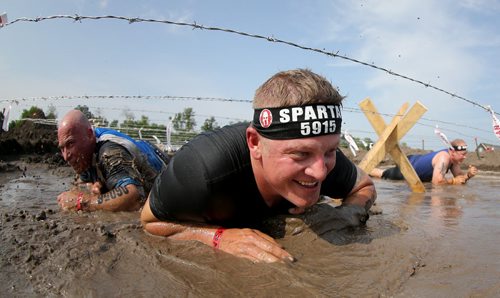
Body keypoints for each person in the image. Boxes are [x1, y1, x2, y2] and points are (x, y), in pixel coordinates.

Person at [140, 69, 377, 263]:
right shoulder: (203, 170)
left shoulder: (322, 154)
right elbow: (150, 222)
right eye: (299, 154)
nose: (321, 171)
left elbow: (364, 186)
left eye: (331, 151)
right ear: (255, 143)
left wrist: (346, 215)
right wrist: (217, 237)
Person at [57, 110, 169, 212]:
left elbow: (134, 197)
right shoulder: (82, 154)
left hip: (165, 176)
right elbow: (82, 182)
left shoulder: (109, 152)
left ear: (90, 134)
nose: (66, 156)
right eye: (62, 148)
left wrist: (82, 202)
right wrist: (91, 185)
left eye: (70, 144)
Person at [369, 139, 478, 185]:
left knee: (383, 173)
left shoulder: (453, 161)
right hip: (408, 168)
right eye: (463, 154)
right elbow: (437, 182)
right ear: (452, 151)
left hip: (415, 160)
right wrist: (453, 181)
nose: (465, 157)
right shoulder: (444, 157)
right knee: (382, 174)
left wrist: (468, 175)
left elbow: (460, 178)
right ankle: (363, 169)